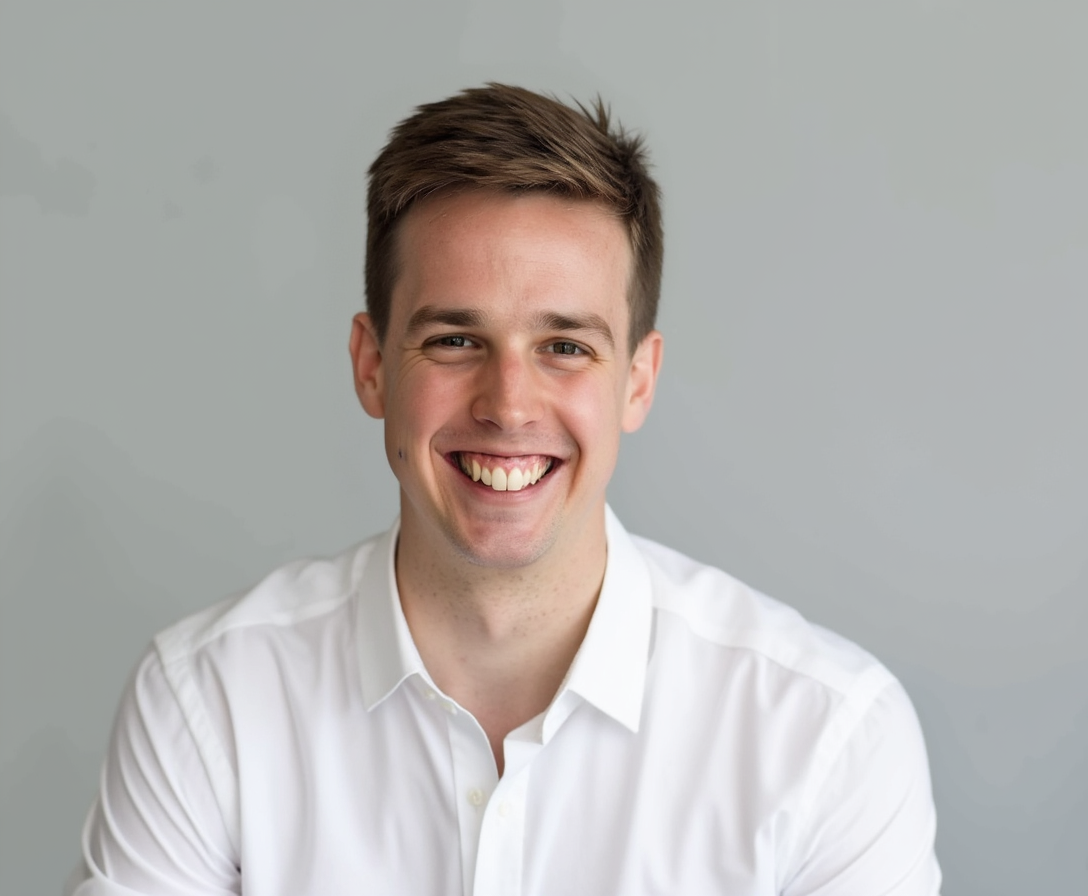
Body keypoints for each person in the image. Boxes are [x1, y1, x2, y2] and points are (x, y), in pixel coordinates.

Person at [69, 84, 941, 895]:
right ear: (372, 367)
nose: (508, 405)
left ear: (638, 381)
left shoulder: (827, 736)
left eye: (565, 347)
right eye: (454, 340)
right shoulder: (205, 703)